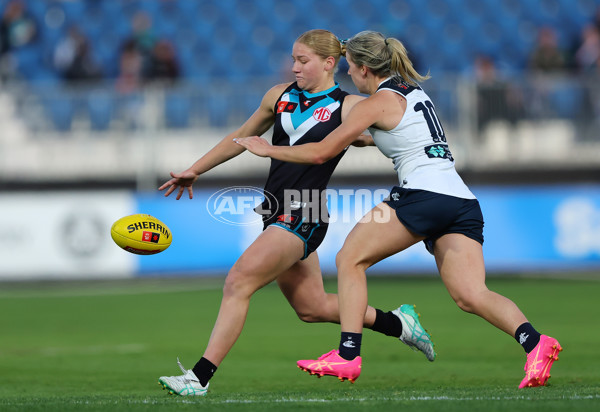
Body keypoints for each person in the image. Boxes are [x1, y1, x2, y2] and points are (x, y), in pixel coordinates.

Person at [235, 30, 562, 389]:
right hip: (461, 199)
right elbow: (396, 135)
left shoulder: (376, 102)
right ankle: (535, 342)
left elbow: (320, 152)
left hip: (422, 195)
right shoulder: (414, 92)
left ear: (362, 68)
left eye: (349, 70)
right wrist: (359, 136)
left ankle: (347, 355)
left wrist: (269, 150)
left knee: (349, 259)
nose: (349, 78)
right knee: (471, 294)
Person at [156, 29, 435, 397]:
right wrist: (196, 168)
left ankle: (199, 377)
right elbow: (240, 137)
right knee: (312, 307)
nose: (294, 67)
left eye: (302, 61)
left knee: (238, 281)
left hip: (305, 210)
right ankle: (399, 324)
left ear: (329, 63)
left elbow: (382, 134)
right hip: (275, 210)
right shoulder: (279, 95)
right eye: (293, 59)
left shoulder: (349, 105)